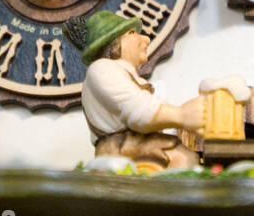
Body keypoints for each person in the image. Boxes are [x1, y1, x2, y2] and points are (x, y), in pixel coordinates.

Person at [64, 10, 204, 171]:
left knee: (185, 158)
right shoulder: (102, 68)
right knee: (182, 158)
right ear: (114, 43)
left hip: (135, 143)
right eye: (131, 33)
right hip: (120, 149)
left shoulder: (121, 73)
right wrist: (182, 115)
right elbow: (137, 110)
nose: (145, 38)